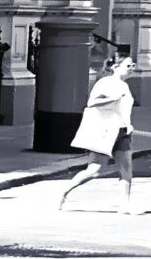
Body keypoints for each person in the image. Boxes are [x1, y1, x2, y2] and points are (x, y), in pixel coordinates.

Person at [58, 50, 138, 213]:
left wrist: (128, 126)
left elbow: (123, 110)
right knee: (95, 170)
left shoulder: (124, 85)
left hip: (122, 131)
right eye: (128, 65)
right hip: (105, 132)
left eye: (133, 65)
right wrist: (112, 99)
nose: (132, 68)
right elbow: (92, 102)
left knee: (126, 169)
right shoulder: (105, 83)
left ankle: (124, 205)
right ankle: (63, 192)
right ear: (116, 66)